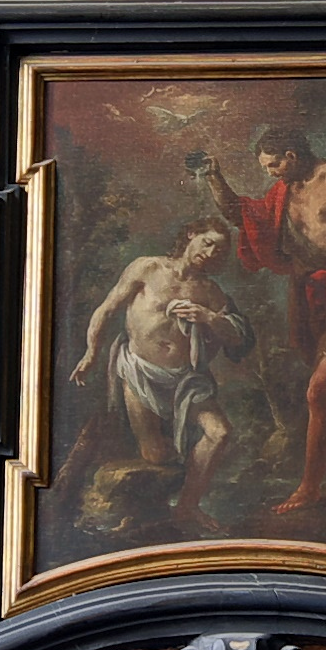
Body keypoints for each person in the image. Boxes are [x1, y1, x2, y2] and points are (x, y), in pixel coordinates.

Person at [192, 125, 326, 514]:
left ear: (292, 156)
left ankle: (312, 486)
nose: (271, 173)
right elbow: (242, 216)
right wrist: (214, 176)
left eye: (274, 164)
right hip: (321, 297)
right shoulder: (284, 192)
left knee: (323, 393)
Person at [63, 215, 254, 527]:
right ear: (190, 234)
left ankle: (188, 506)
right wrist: (90, 353)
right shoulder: (147, 268)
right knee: (155, 455)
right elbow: (107, 308)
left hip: (187, 381)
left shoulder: (209, 291)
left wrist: (207, 317)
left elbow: (237, 337)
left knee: (220, 433)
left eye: (219, 251)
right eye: (207, 243)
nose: (210, 253)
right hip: (139, 372)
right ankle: (155, 510)